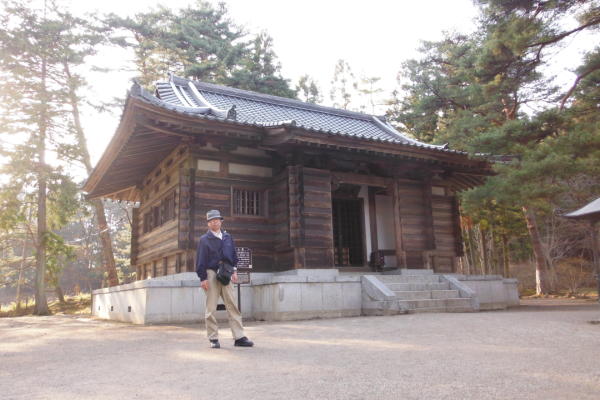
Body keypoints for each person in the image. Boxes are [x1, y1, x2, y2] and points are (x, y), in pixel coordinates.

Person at [195, 209, 254, 349]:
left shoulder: (228, 237)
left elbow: (233, 255)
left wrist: (234, 270)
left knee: (232, 305)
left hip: (226, 273)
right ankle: (213, 338)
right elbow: (200, 260)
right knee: (211, 307)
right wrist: (203, 278)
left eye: (217, 220)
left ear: (221, 221)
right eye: (212, 220)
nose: (215, 222)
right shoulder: (204, 239)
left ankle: (239, 337)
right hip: (211, 273)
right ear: (208, 223)